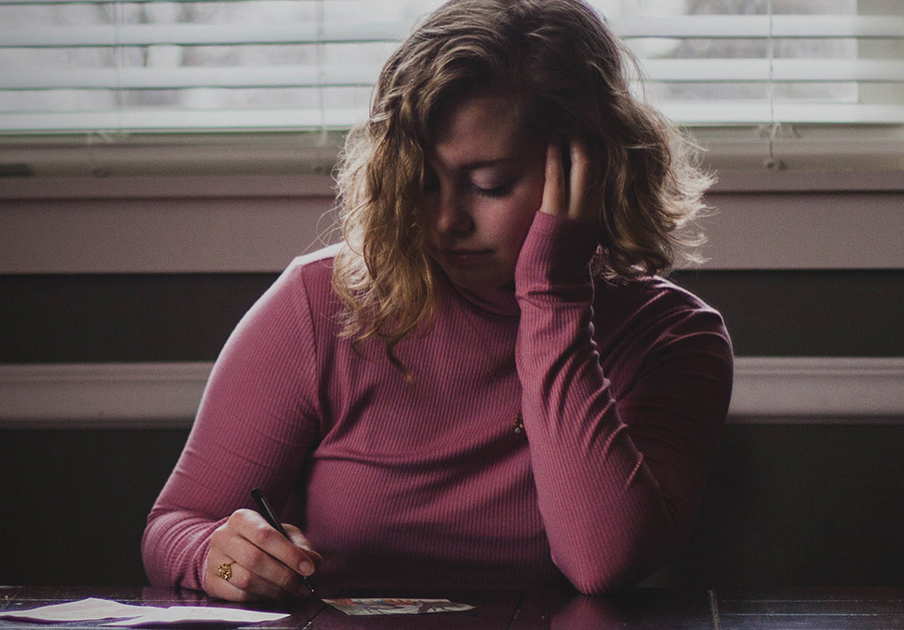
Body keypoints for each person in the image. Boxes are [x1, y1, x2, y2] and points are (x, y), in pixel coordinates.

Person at [142, 0, 733, 601]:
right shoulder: (321, 304)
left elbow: (602, 562)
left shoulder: (672, 337)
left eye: (489, 185)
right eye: (422, 182)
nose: (446, 220)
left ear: (590, 166)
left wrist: (553, 299)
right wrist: (217, 560)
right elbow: (173, 529)